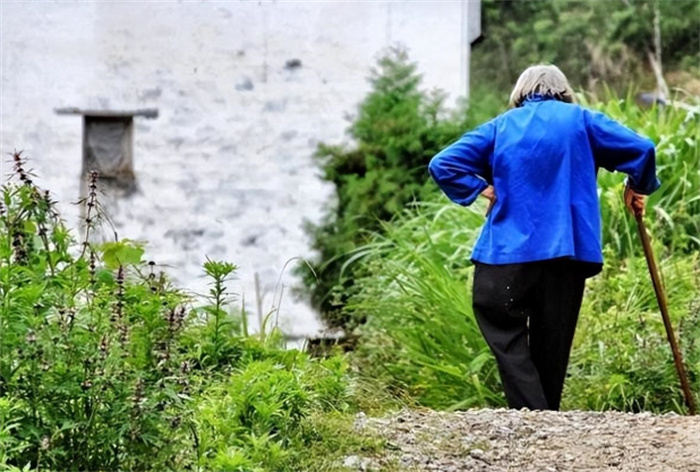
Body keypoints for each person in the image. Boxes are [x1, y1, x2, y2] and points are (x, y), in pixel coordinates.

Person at [428, 64, 660, 411]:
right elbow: (642, 149)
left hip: (506, 255)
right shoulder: (582, 120)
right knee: (553, 340)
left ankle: (533, 417)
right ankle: (544, 419)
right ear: (564, 92)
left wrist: (480, 188)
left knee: (499, 321)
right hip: (567, 254)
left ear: (520, 93)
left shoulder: (500, 127)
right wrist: (636, 186)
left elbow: (443, 163)